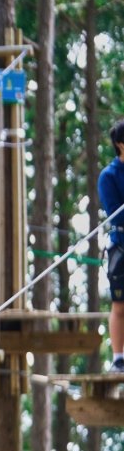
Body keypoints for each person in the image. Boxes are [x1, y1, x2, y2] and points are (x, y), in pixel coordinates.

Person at [96, 118, 124, 372]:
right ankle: (118, 358)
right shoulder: (109, 176)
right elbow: (116, 214)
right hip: (121, 247)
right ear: (120, 144)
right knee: (120, 305)